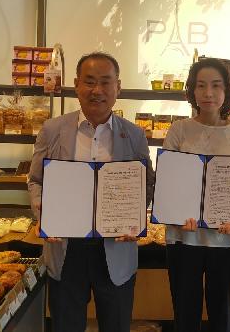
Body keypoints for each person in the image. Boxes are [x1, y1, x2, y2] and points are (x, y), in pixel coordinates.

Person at [27, 52, 155, 332]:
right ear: (76, 85)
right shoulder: (52, 130)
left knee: (116, 324)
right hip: (66, 248)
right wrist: (43, 212)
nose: (97, 90)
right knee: (66, 325)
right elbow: (36, 180)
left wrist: (134, 217)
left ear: (118, 87)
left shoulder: (134, 135)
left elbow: (146, 183)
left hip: (116, 248)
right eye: (89, 81)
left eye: (105, 82)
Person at [162, 58, 230, 332]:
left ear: (227, 90)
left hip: (227, 238)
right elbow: (168, 182)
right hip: (185, 236)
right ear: (192, 90)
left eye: (216, 85)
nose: (208, 93)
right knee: (185, 316)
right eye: (201, 85)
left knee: (223, 317)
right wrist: (175, 214)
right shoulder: (179, 130)